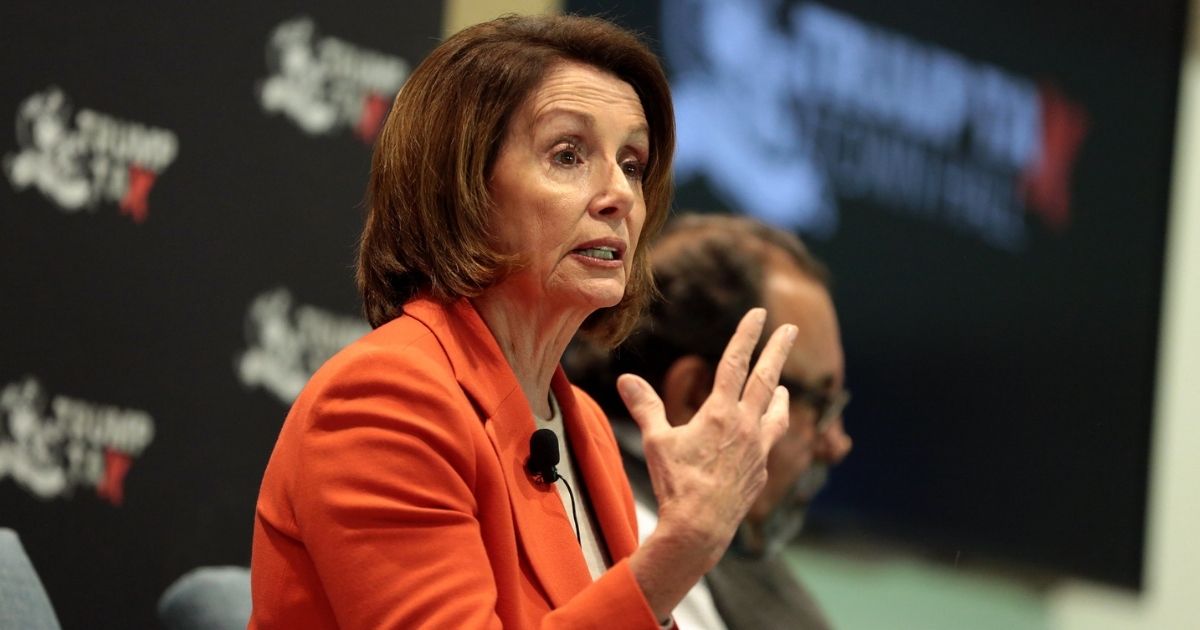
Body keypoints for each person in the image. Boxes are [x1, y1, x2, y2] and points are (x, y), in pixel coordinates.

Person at [249, 15, 800, 629]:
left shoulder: (584, 429)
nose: (617, 192)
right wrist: (684, 547)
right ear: (463, 185)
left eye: (632, 164)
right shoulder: (386, 402)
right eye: (568, 155)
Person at [566, 214, 853, 630]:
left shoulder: (726, 555)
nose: (837, 442)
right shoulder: (638, 551)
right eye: (817, 403)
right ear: (697, 395)